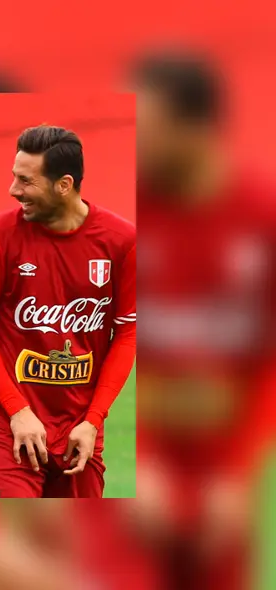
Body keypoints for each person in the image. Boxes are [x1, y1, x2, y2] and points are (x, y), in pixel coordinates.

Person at [132, 51, 276, 589]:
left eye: (150, 129)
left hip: (224, 472)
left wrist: (236, 474)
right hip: (144, 472)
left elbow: (267, 358)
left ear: (197, 130)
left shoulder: (262, 215)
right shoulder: (128, 214)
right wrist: (141, 460)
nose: (136, 142)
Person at [0, 125, 136, 498]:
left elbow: (128, 334)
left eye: (26, 181)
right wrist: (17, 410)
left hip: (79, 433)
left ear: (64, 185)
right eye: (14, 177)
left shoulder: (121, 241)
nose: (13, 190)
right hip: (8, 428)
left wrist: (93, 421)